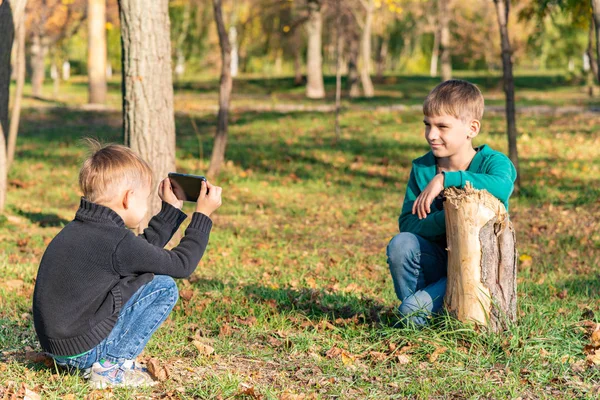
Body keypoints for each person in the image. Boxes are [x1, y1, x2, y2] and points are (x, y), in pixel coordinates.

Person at [32, 140, 222, 388]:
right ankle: (110, 367)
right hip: (83, 350)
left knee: (139, 276)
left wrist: (170, 212)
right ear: (128, 198)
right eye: (144, 200)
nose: (145, 206)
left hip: (60, 348)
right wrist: (203, 216)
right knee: (163, 286)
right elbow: (182, 264)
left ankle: (98, 361)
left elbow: (138, 255)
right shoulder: (116, 241)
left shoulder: (80, 229)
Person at [387, 80, 517, 326]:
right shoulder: (423, 168)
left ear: (472, 128)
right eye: (427, 125)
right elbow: (408, 224)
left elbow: (503, 186)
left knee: (410, 313)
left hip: (478, 272)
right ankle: (422, 313)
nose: (431, 135)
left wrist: (447, 179)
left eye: (442, 126)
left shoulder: (493, 163)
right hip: (438, 265)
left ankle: (422, 313)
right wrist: (448, 216)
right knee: (401, 244)